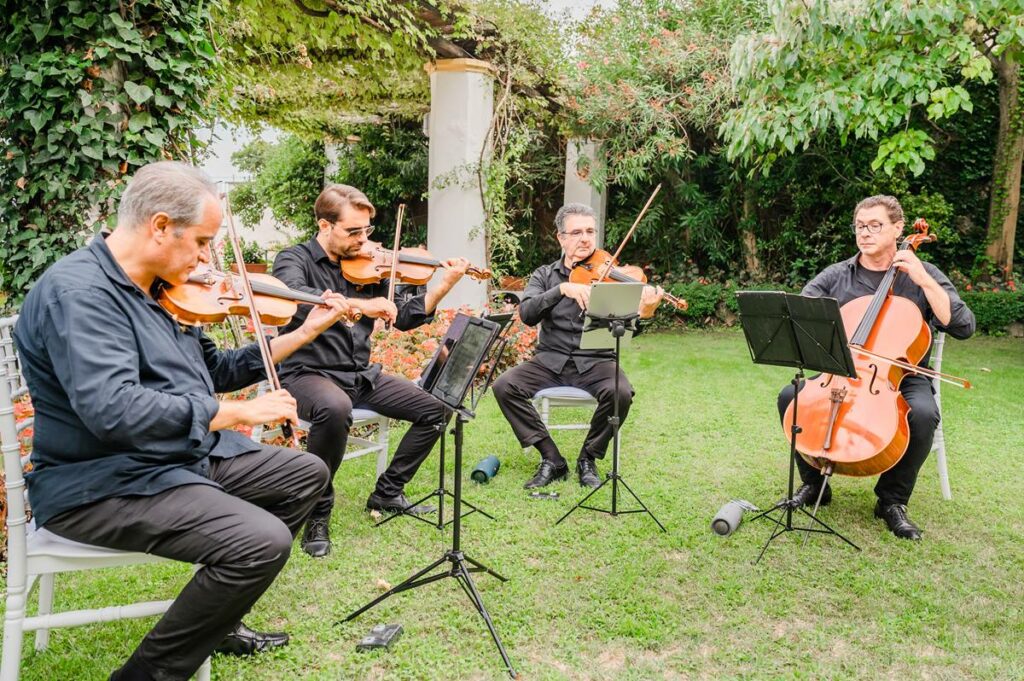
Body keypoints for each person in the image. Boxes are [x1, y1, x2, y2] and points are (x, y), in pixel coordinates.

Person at [13, 161, 353, 680]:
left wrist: (307, 329)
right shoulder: (81, 294)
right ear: (160, 226)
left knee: (305, 474)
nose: (205, 258)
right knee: (262, 541)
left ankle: (220, 614)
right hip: (102, 481)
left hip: (172, 458)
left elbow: (217, 370)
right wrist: (236, 412)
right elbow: (114, 411)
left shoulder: (159, 289)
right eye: (200, 241)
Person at [272, 184, 471, 558]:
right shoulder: (293, 259)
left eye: (367, 231)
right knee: (334, 409)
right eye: (353, 232)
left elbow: (404, 316)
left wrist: (443, 284)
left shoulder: (370, 266)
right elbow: (295, 301)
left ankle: (388, 491)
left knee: (436, 410)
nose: (363, 241)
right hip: (306, 374)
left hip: (360, 375)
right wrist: (363, 305)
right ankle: (317, 511)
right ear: (324, 225)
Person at [777, 195, 975, 540]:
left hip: (900, 376)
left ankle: (891, 500)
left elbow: (963, 326)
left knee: (924, 414)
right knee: (790, 396)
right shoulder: (838, 275)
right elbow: (802, 313)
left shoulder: (923, 274)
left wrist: (924, 280)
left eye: (874, 226)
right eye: (859, 226)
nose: (865, 233)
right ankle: (814, 485)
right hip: (841, 369)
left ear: (899, 229)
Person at [491, 203, 664, 489]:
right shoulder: (545, 276)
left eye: (590, 231)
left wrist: (645, 311)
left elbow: (631, 327)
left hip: (597, 361)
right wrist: (562, 289)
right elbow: (527, 313)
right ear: (561, 238)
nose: (585, 238)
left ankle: (588, 458)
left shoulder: (611, 276)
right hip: (550, 361)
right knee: (504, 386)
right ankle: (551, 458)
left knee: (620, 392)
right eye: (576, 232)